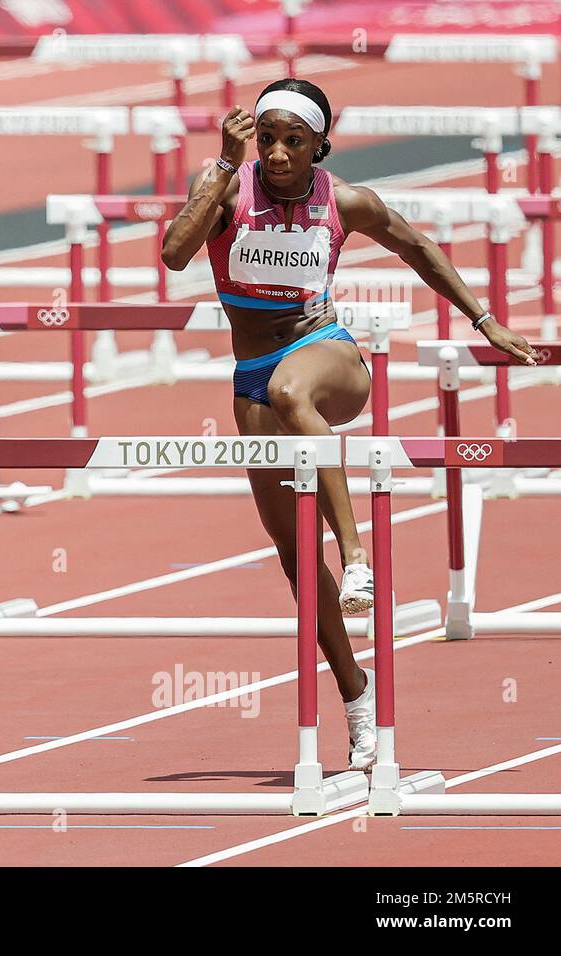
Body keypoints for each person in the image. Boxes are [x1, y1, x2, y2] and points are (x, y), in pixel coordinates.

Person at [161, 77, 539, 770]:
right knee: (295, 560)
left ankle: (359, 557)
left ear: (319, 148)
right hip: (253, 381)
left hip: (327, 356)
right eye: (267, 138)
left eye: (292, 142)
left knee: (291, 389)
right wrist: (221, 165)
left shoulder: (345, 201)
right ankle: (357, 699)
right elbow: (173, 252)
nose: (275, 154)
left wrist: (485, 320)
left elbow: (418, 248)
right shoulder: (226, 187)